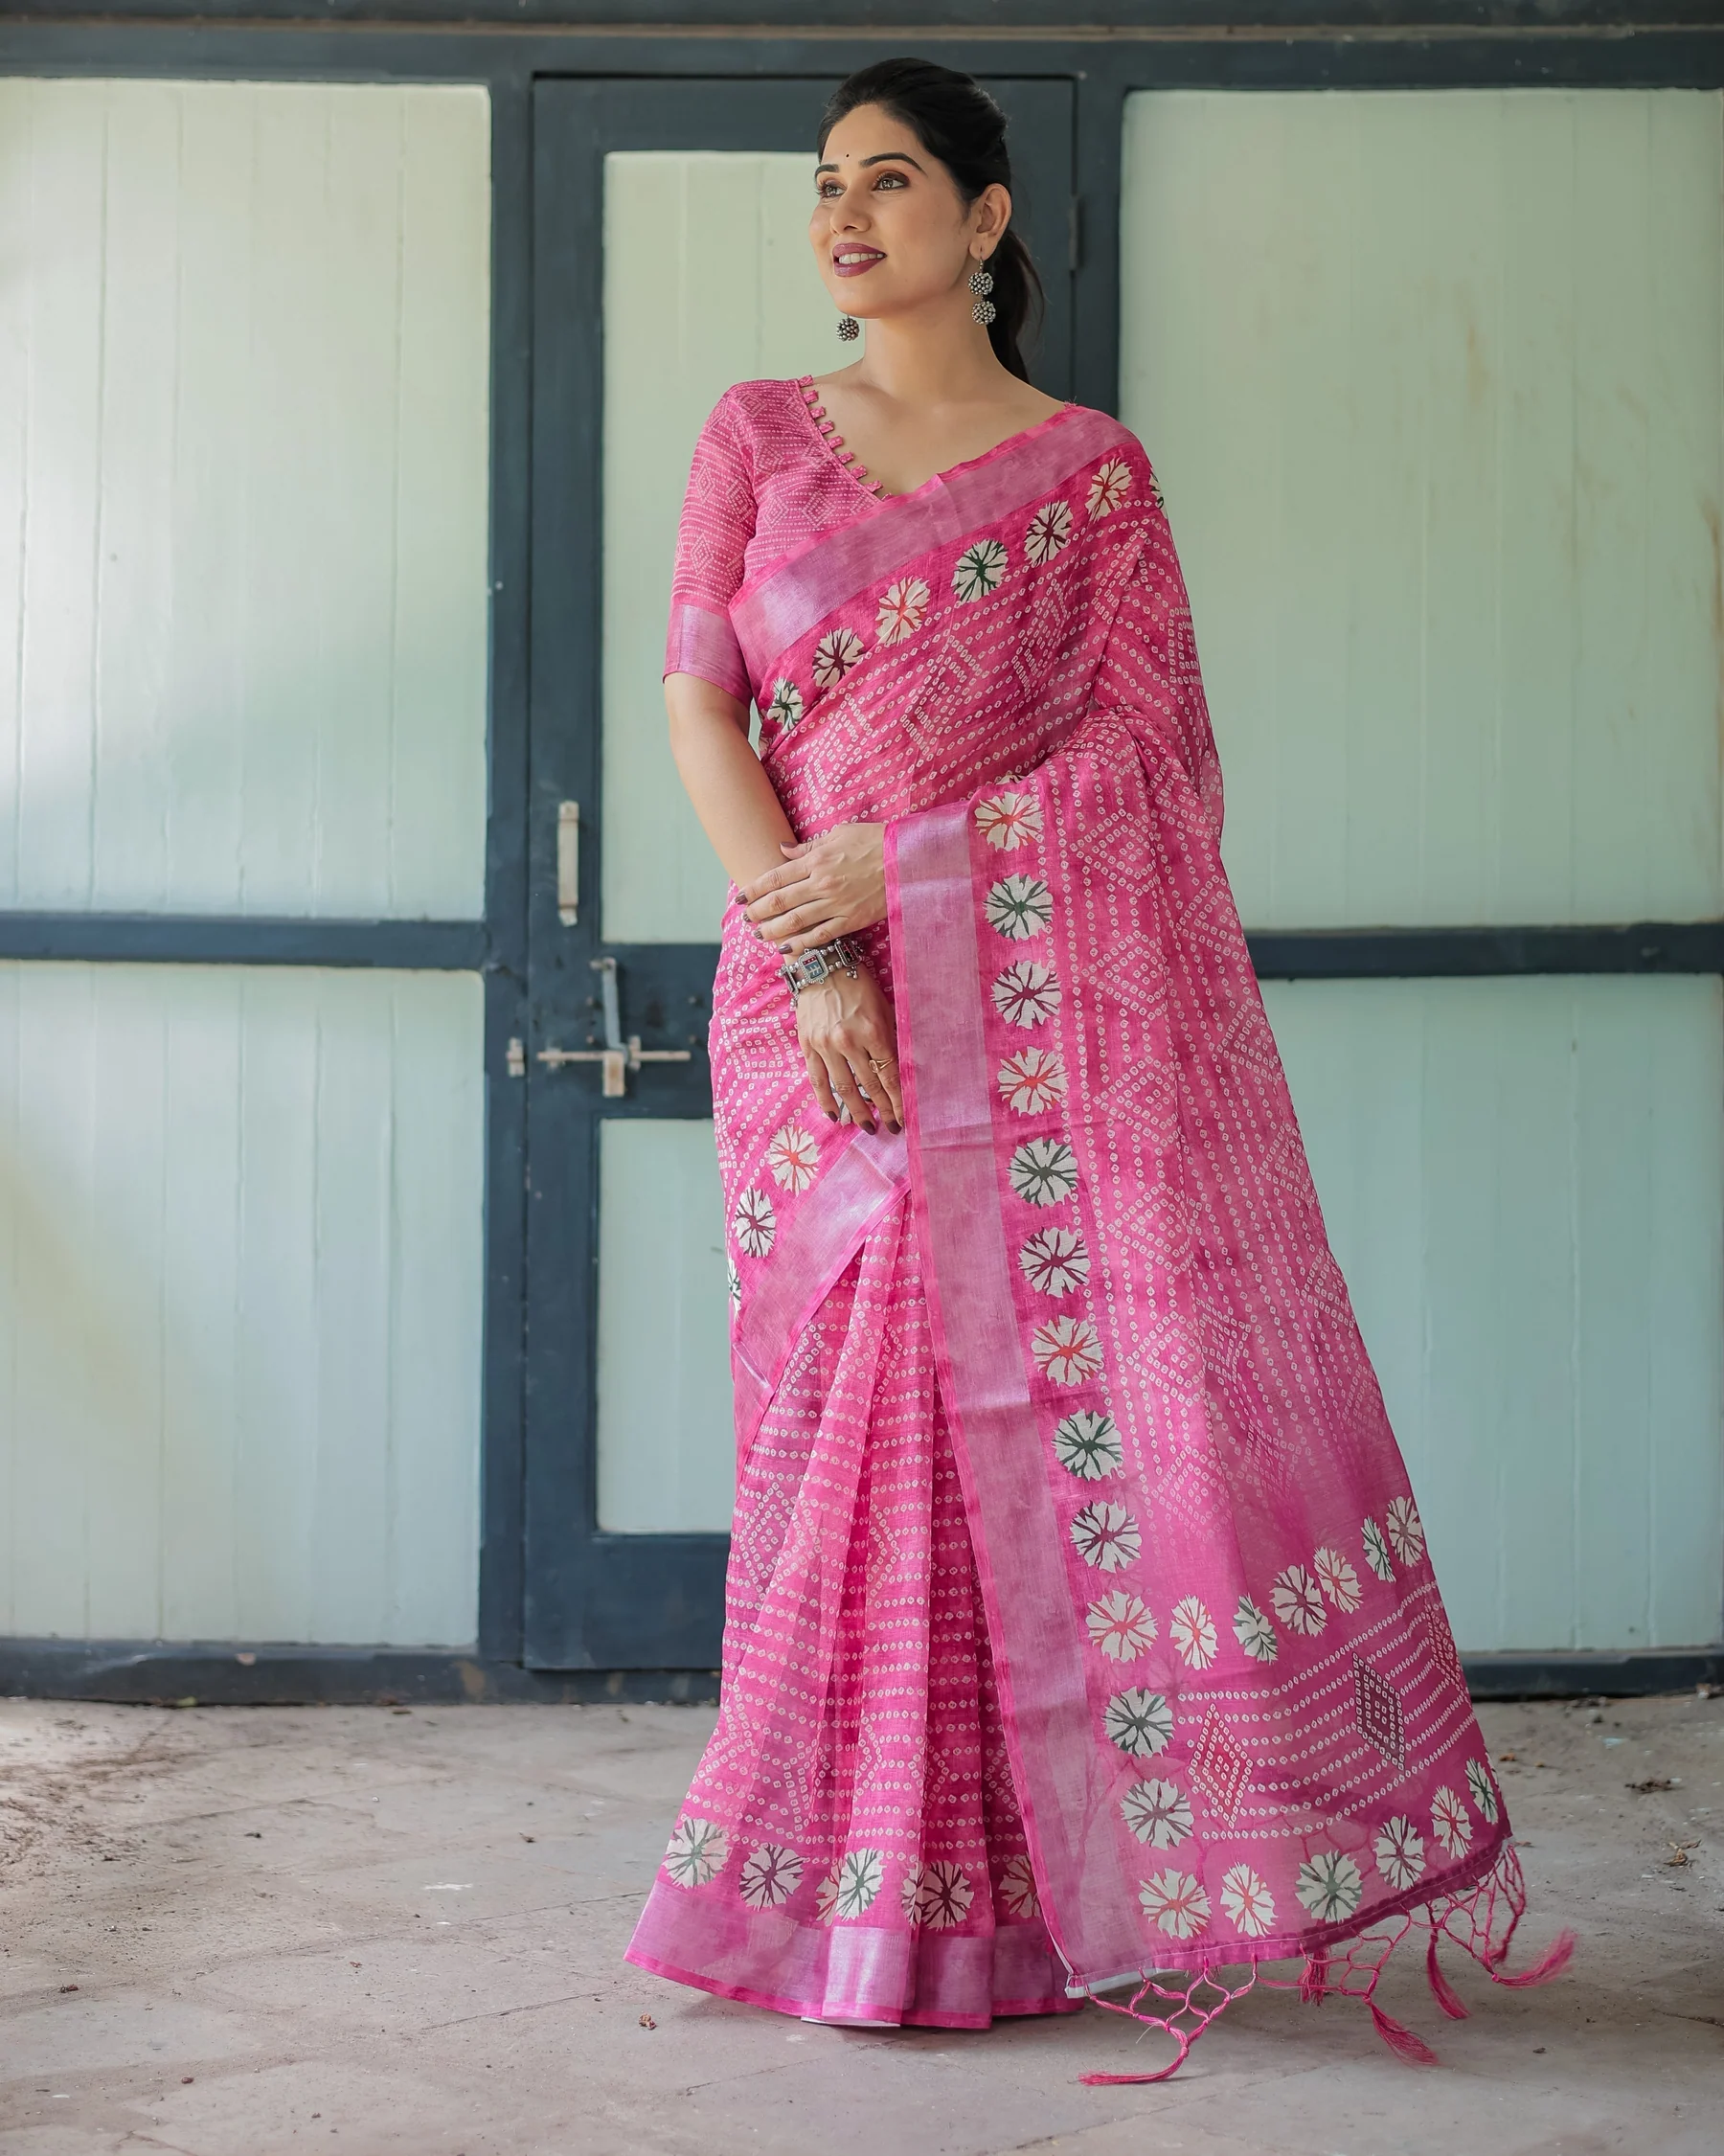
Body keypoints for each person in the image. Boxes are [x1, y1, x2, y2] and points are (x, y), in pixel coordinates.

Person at [624, 57, 1572, 2078]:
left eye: (889, 181)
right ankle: (855, 1891)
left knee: (1010, 1420)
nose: (841, 216)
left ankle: (1035, 1902)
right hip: (816, 1000)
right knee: (851, 1422)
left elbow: (1153, 768)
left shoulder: (1089, 480)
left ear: (984, 219)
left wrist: (917, 868)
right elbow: (700, 710)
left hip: (1018, 1004)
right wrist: (822, 943)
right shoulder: (758, 432)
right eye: (824, 185)